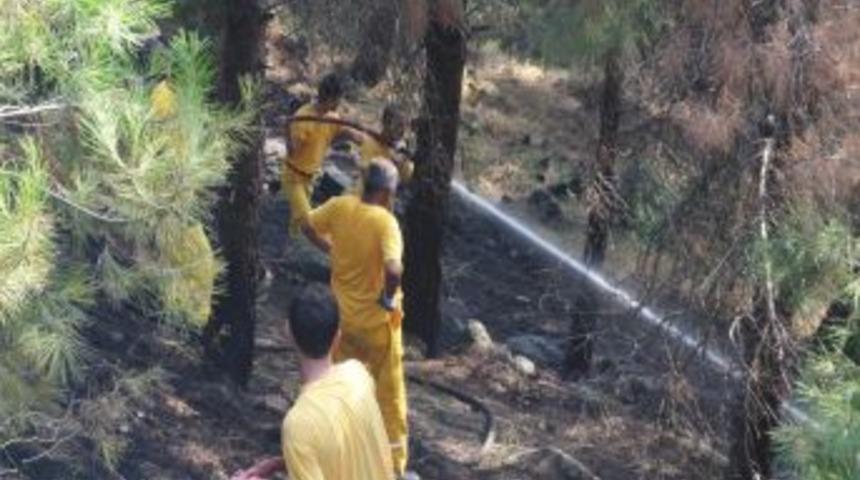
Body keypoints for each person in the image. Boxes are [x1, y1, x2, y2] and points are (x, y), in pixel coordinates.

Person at [300, 159, 412, 478]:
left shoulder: (339, 207)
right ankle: (393, 468)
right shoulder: (385, 222)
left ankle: (330, 456)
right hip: (376, 329)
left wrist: (330, 250)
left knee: (336, 388)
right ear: (388, 192)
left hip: (341, 325)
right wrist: (389, 297)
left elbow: (307, 223)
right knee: (388, 398)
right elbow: (393, 268)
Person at [231, 285, 395, 480]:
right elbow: (339, 445)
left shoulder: (299, 425)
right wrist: (283, 462)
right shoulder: (359, 375)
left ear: (287, 333)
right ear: (337, 336)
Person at [283, 73, 350, 235]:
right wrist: (286, 129)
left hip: (310, 179)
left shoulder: (332, 118)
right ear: (329, 97)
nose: (339, 103)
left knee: (297, 223)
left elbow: (351, 133)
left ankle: (292, 247)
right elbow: (292, 151)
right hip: (293, 179)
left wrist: (376, 140)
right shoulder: (304, 118)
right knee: (307, 221)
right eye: (337, 99)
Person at [356, 104, 414, 186]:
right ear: (386, 123)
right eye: (399, 125)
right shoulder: (371, 143)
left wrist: (403, 163)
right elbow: (369, 176)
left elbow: (407, 178)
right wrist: (392, 162)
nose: (403, 131)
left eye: (406, 125)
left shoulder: (401, 149)